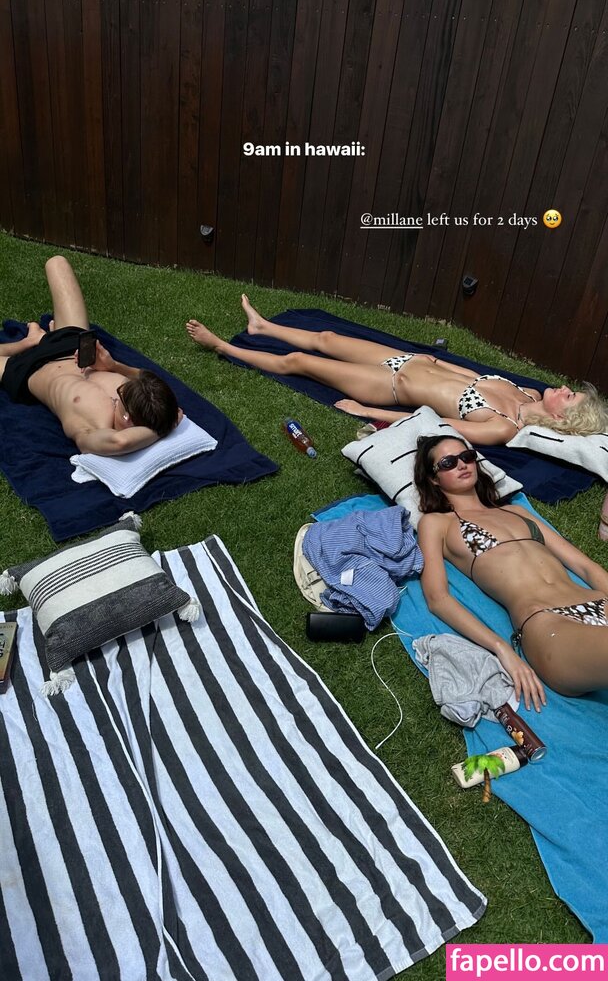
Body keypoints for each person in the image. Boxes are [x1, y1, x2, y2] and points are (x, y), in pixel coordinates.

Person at [186, 297, 607, 445]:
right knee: (327, 336)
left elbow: (430, 423)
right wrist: (429, 358)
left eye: (569, 397)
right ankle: (263, 327)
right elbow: (462, 371)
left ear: (562, 419)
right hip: (410, 361)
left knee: (298, 364)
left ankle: (222, 346)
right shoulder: (528, 394)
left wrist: (368, 412)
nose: (563, 387)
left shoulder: (503, 427)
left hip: (389, 385)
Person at [414, 434, 608, 709]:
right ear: (433, 479)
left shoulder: (518, 511)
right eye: (448, 462)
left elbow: (585, 566)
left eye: (467, 456)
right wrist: (500, 648)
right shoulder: (436, 524)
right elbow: (438, 599)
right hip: (547, 622)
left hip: (597, 603)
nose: (462, 464)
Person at [0, 255, 180, 455]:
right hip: (71, 346)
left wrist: (162, 429)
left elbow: (120, 442)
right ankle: (40, 338)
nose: (118, 391)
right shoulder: (143, 398)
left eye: (119, 396)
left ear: (127, 418)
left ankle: (28, 342)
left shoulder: (96, 425)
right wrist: (113, 366)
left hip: (27, 371)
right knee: (57, 263)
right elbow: (146, 377)